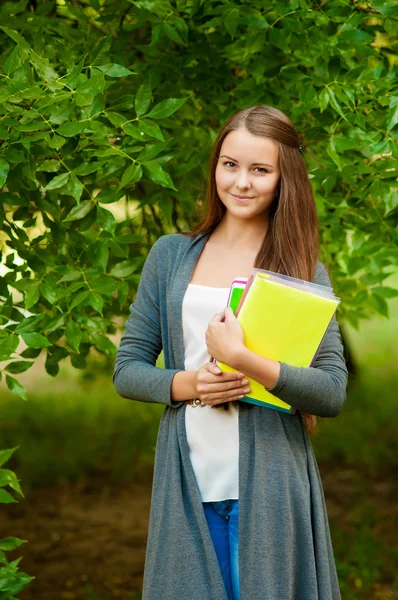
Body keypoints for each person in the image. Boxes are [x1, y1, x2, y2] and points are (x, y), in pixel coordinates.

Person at [113, 105, 348, 600]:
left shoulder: (303, 270)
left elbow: (331, 392)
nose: (241, 182)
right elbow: (128, 368)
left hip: (272, 484)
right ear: (215, 166)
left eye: (260, 170)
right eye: (230, 164)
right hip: (189, 476)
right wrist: (188, 384)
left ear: (285, 179)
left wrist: (244, 360)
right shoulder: (171, 256)